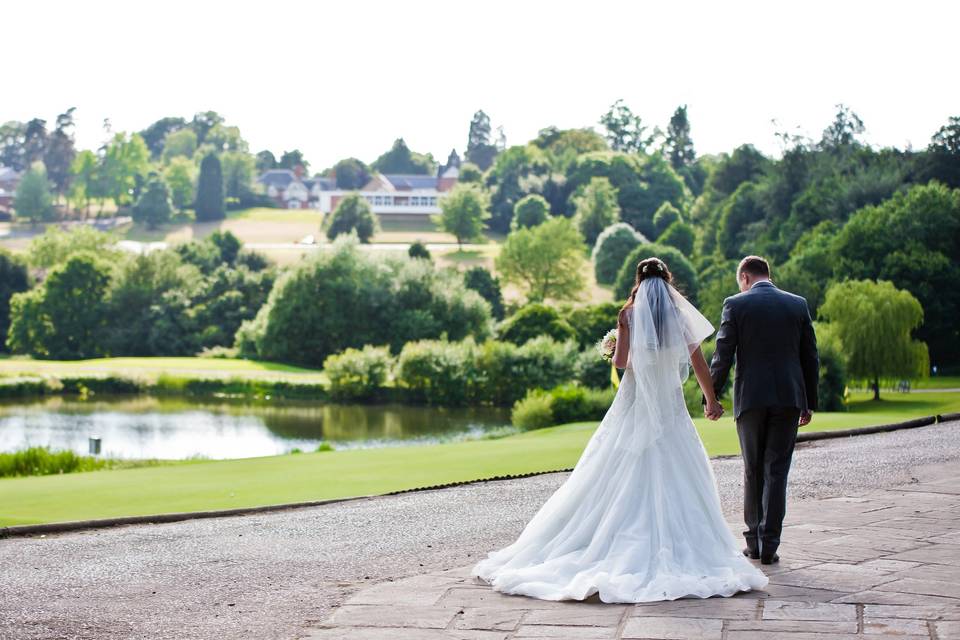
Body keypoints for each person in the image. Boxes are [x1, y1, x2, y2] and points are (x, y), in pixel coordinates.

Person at [472, 257, 768, 603]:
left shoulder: (628, 314)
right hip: (670, 407)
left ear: (639, 281)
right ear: (667, 281)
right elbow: (698, 362)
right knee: (680, 470)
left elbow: (622, 363)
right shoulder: (679, 316)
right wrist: (711, 400)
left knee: (609, 470)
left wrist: (618, 340)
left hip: (635, 402)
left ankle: (603, 540)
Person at [708, 256, 819, 565]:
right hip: (789, 397)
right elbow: (810, 356)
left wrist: (711, 397)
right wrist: (809, 401)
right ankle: (770, 544)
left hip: (751, 398)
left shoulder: (735, 304)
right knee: (777, 471)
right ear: (767, 274)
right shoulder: (797, 304)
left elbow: (723, 354)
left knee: (752, 469)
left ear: (744, 277)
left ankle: (754, 542)